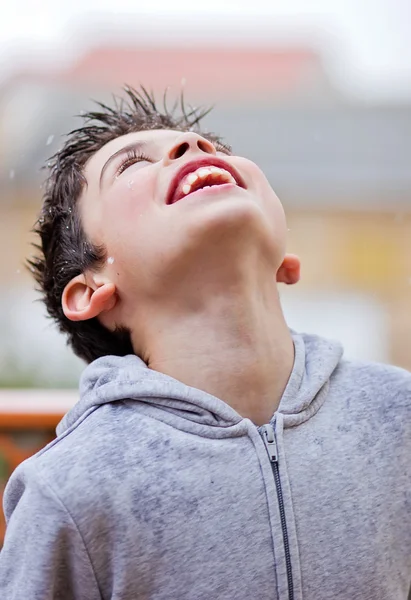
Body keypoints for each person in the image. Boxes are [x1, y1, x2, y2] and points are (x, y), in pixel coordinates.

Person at [0, 86, 409, 600]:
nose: (193, 147)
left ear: (285, 259)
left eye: (213, 147)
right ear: (91, 290)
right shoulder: (67, 488)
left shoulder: (399, 416)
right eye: (129, 165)